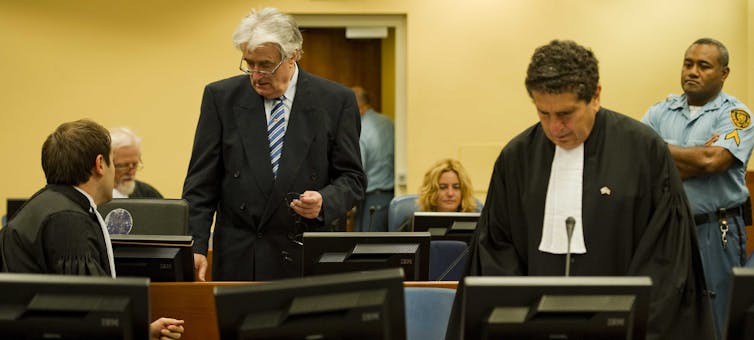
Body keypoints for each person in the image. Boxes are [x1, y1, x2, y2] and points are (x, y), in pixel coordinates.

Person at [448, 40, 714, 339]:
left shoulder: (644, 151)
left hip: (623, 326)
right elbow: (496, 249)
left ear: (595, 96)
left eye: (566, 114)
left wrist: (628, 320)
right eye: (543, 114)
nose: (555, 128)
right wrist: (522, 320)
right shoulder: (516, 158)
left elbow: (667, 257)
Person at [182, 7, 366, 281]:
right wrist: (195, 246)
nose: (256, 74)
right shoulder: (221, 98)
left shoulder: (335, 101)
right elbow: (200, 184)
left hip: (304, 255)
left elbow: (352, 179)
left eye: (266, 64)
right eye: (249, 63)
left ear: (293, 56)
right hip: (241, 255)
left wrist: (324, 202)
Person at [0, 119, 184, 340]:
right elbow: (90, 314)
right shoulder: (69, 220)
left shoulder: (46, 205)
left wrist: (143, 332)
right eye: (113, 163)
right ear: (100, 164)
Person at [642, 38, 754, 337]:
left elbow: (712, 160)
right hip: (667, 230)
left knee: (717, 321)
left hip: (716, 231)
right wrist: (693, 159)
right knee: (666, 316)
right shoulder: (659, 112)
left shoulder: (735, 115)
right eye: (688, 63)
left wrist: (662, 152)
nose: (692, 71)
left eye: (703, 66)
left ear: (724, 73)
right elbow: (641, 164)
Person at [352, 85, 394, 232]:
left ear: (358, 106)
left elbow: (356, 169)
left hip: (370, 199)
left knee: (364, 247)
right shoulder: (389, 123)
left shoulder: (360, 128)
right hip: (390, 197)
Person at [109, 126, 163, 199]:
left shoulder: (148, 194)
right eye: (124, 165)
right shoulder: (94, 197)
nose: (131, 172)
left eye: (135, 165)